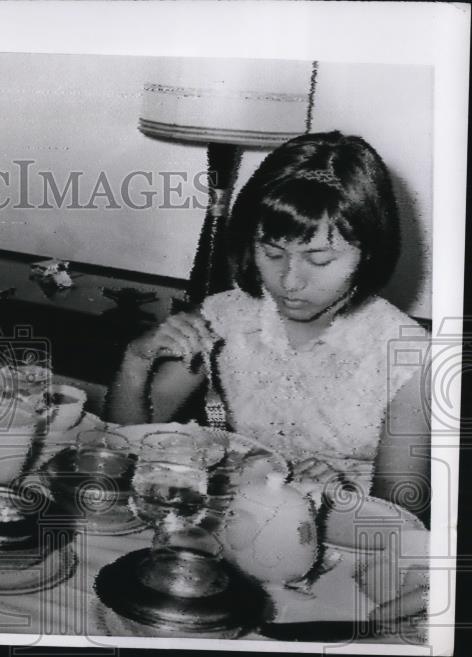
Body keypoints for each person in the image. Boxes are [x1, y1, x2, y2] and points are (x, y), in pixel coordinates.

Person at [107, 131, 430, 519]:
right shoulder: (228, 315)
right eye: (272, 252)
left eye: (320, 259)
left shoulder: (410, 354)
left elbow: (398, 518)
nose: (290, 281)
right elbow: (128, 448)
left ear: (369, 252)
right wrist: (135, 360)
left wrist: (341, 500)